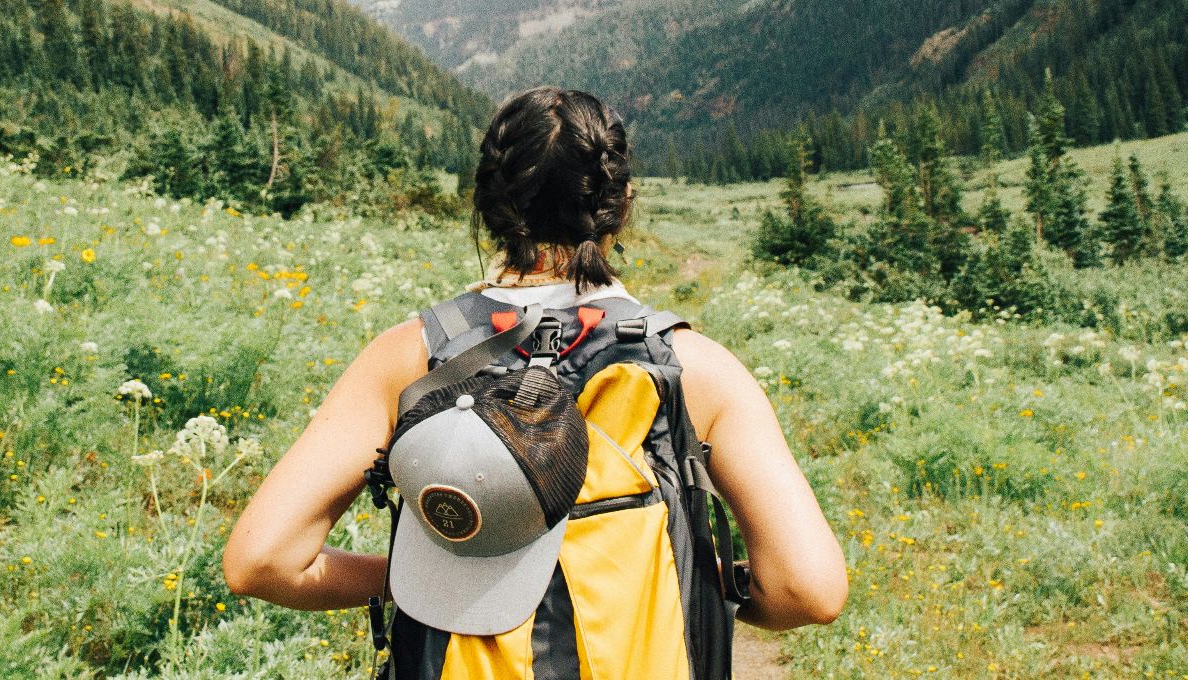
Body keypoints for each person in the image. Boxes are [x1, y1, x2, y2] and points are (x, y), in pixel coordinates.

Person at [224, 87, 846, 673]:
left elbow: (263, 561)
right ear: (621, 204)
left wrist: (410, 579)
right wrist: (711, 587)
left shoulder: (409, 357)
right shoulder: (694, 366)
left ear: (487, 206)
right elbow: (808, 590)